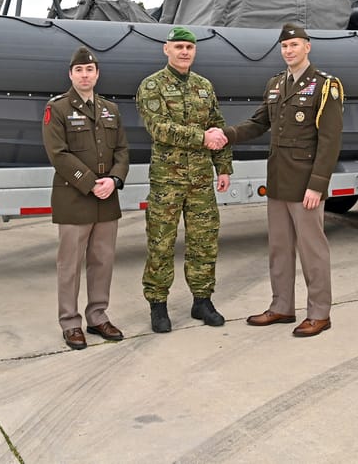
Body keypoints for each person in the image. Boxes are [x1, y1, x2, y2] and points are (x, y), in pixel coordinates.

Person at [211, 23, 343, 338]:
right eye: (284, 46)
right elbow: (259, 122)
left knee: (313, 250)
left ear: (307, 47)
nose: (289, 51)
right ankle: (282, 306)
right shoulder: (276, 84)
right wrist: (226, 135)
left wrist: (318, 183)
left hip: (305, 184)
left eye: (294, 45)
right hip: (279, 180)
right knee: (279, 248)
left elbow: (330, 139)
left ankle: (319, 314)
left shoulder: (325, 86)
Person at [136, 26, 232, 333]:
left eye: (189, 48)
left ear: (194, 51)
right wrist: (202, 138)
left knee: (204, 241)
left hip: (201, 179)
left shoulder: (204, 86)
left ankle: (202, 301)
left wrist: (224, 167)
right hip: (167, 181)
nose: (184, 52)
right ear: (167, 49)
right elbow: (159, 128)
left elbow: (217, 127)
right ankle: (158, 304)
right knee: (161, 243)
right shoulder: (152, 86)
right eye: (178, 47)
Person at [42, 46, 130, 350]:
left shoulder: (110, 109)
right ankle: (70, 322)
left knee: (102, 260)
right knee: (70, 264)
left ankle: (97, 316)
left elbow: (122, 150)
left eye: (89, 70)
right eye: (79, 70)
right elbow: (58, 154)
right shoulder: (58, 108)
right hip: (75, 198)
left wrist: (115, 180)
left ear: (97, 74)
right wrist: (92, 183)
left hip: (107, 198)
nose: (84, 75)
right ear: (71, 74)